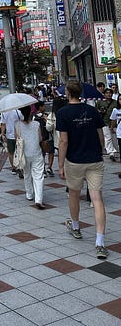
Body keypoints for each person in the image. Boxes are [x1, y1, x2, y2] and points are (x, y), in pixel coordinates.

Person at [56, 80, 108, 259]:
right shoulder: (92, 110)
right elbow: (100, 134)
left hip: (74, 160)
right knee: (97, 198)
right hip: (94, 159)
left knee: (74, 194)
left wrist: (60, 165)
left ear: (68, 93)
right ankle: (100, 242)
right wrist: (101, 151)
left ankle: (76, 227)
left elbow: (63, 141)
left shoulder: (62, 113)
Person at [15, 104, 46, 209]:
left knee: (27, 173)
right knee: (38, 176)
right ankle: (39, 199)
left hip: (24, 154)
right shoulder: (36, 124)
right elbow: (40, 139)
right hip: (36, 152)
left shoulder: (17, 125)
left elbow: (17, 139)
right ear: (30, 112)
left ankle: (29, 194)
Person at [96, 87, 118, 161]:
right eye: (107, 93)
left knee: (114, 137)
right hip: (104, 122)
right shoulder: (100, 102)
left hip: (115, 122)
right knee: (108, 137)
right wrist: (100, 111)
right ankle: (111, 152)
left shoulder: (115, 102)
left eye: (110, 93)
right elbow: (96, 110)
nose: (109, 94)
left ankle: (116, 150)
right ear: (104, 94)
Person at [34, 101, 54, 176]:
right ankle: (49, 167)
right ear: (40, 107)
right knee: (51, 152)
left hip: (39, 138)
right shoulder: (47, 116)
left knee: (42, 154)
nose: (44, 107)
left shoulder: (33, 117)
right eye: (43, 106)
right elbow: (50, 126)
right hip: (48, 137)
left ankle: (43, 170)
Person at [0, 108, 23, 174]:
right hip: (18, 134)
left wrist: (2, 134)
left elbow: (3, 124)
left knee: (11, 152)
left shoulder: (4, 113)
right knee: (19, 152)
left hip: (9, 135)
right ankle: (19, 166)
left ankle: (13, 168)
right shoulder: (19, 112)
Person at [109, 95, 121, 176]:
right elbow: (113, 120)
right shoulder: (116, 110)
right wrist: (112, 128)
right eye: (120, 99)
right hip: (120, 134)